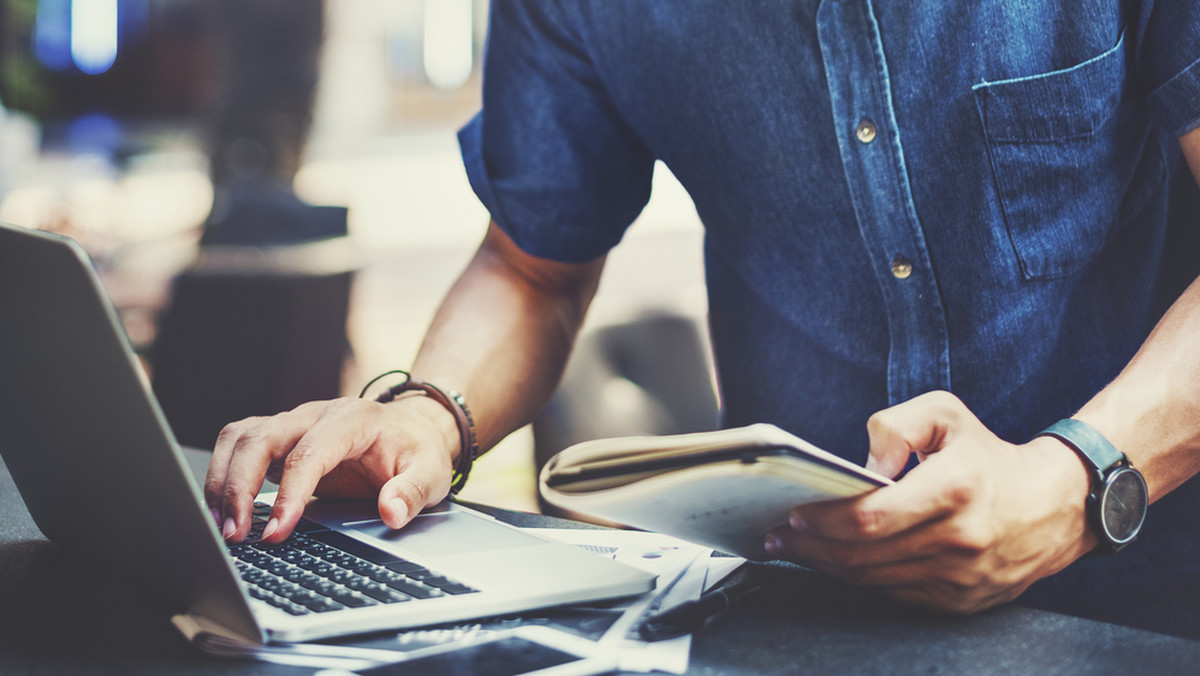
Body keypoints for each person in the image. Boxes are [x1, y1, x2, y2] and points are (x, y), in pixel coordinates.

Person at [204, 1, 1200, 639]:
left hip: (1149, 617)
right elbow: (532, 265)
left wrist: (1078, 482)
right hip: (796, 622)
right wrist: (424, 415)